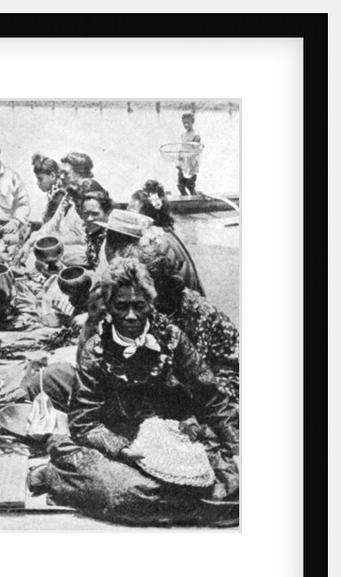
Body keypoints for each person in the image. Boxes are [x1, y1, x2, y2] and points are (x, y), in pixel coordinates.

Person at [27, 258, 240, 526]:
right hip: (117, 440)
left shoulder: (172, 339)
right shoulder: (96, 350)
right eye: (121, 306)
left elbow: (212, 398)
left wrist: (237, 447)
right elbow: (84, 421)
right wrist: (121, 448)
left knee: (231, 488)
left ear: (150, 304)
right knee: (134, 493)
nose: (130, 315)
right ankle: (57, 475)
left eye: (139, 306)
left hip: (171, 438)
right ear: (108, 307)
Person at [141, 250, 239, 401]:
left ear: (163, 283)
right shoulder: (158, 306)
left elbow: (197, 371)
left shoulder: (197, 312)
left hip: (223, 376)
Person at [126, 183, 206, 296]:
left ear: (147, 217)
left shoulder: (157, 242)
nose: (127, 213)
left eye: (132, 209)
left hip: (181, 299)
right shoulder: (163, 232)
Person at [19, 153, 88, 268]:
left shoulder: (88, 197)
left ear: (80, 174)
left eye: (66, 173)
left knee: (40, 254)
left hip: (82, 251)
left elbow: (82, 237)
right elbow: (51, 223)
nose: (61, 177)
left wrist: (50, 239)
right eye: (61, 173)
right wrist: (31, 241)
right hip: (66, 246)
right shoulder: (68, 196)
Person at [177, 112, 201, 195]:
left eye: (188, 123)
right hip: (183, 163)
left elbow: (197, 151)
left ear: (192, 122)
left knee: (190, 186)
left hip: (191, 163)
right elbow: (182, 148)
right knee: (180, 186)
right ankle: (185, 202)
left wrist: (188, 157)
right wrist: (179, 157)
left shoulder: (196, 135)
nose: (186, 125)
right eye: (184, 123)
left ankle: (195, 202)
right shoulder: (183, 135)